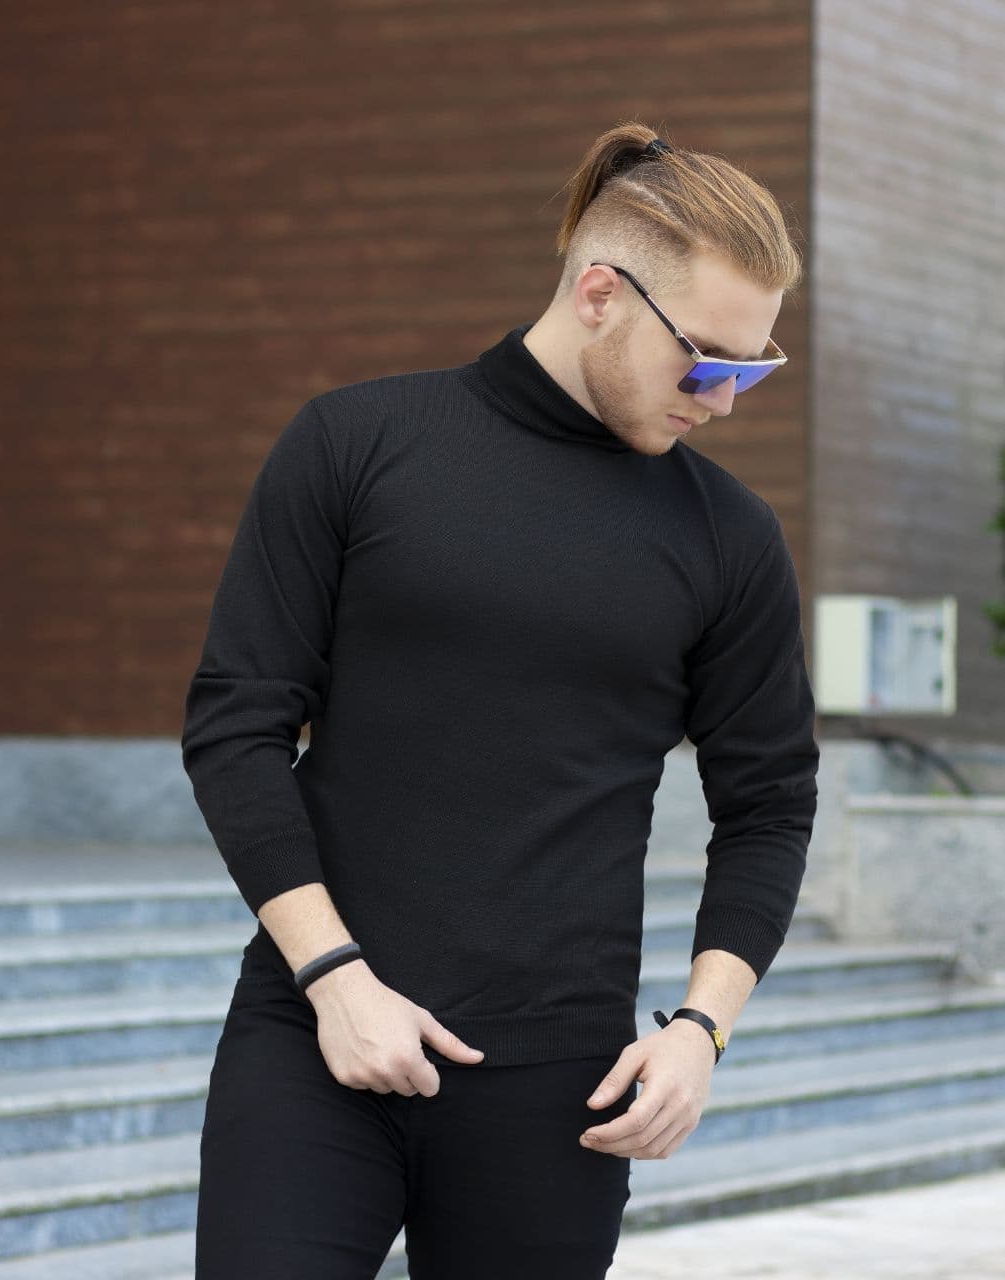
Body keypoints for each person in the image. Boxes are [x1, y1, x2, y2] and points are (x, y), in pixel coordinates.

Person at [180, 121, 820, 1280]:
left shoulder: (729, 538)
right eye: (705, 361)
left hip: (561, 1086)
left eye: (750, 367)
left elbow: (769, 802)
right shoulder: (356, 443)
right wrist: (334, 978)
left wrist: (700, 1028)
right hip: (317, 1031)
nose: (724, 401)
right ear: (598, 293)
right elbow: (236, 724)